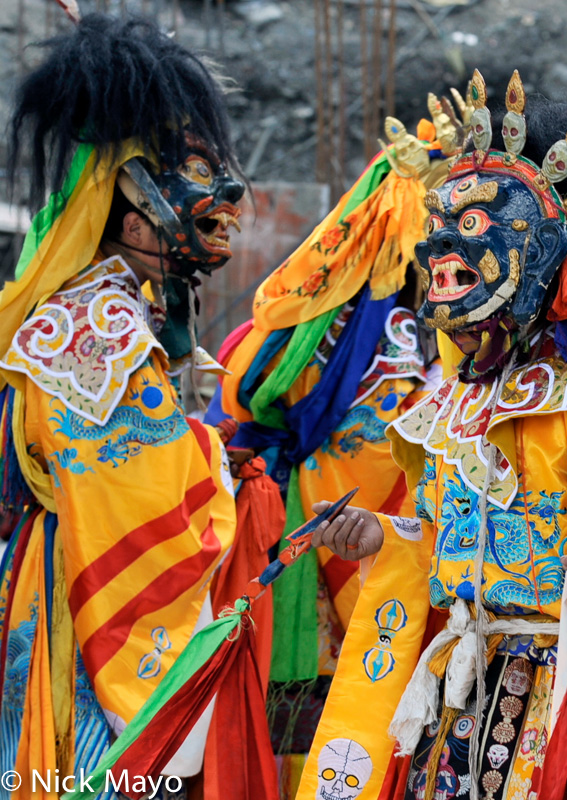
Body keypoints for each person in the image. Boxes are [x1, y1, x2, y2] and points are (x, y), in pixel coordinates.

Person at [295, 72, 567, 800]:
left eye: (475, 226)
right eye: (442, 222)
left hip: (559, 696)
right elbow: (445, 534)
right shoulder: (456, 400)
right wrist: (385, 537)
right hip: (455, 698)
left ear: (542, 251)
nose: (445, 243)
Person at [0, 14, 245, 794]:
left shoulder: (87, 309)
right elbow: (136, 501)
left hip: (51, 570)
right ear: (133, 215)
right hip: (89, 595)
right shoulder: (98, 330)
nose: (223, 210)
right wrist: (212, 462)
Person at [202, 105, 454, 793]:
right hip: (358, 551)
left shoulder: (286, 331)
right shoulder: (413, 350)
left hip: (291, 541)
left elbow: (232, 411)